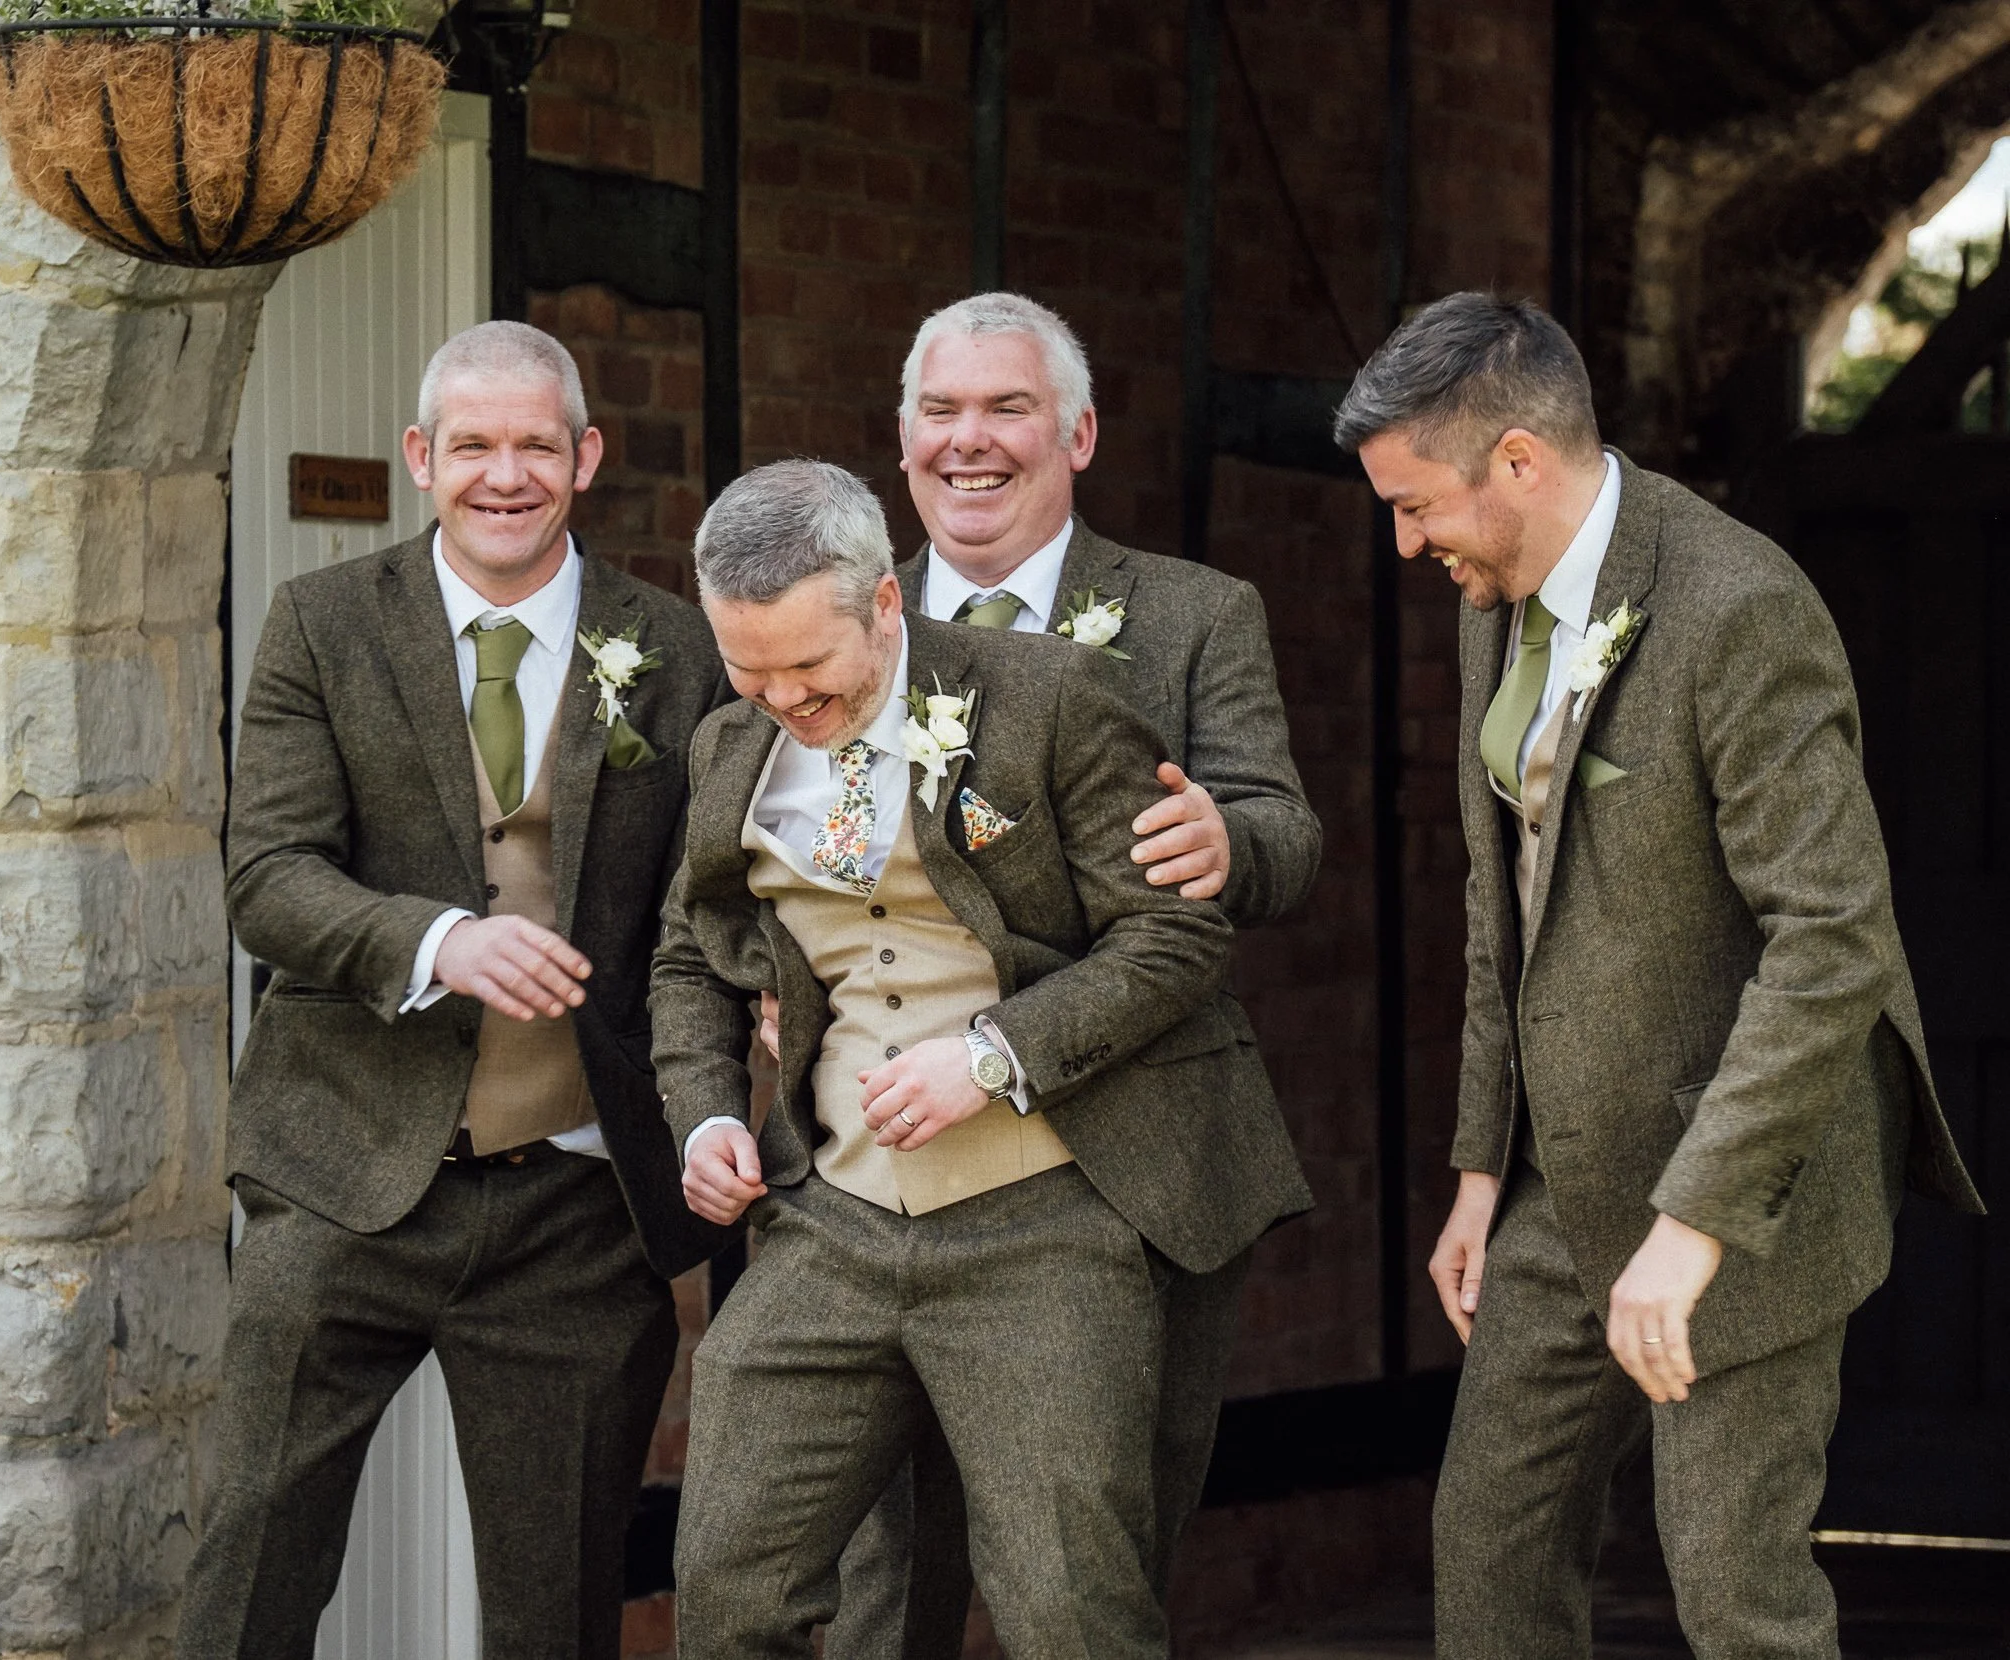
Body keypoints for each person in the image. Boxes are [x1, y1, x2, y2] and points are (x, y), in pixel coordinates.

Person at [1334, 291, 1983, 1659]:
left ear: (1517, 460)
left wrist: (1692, 1224)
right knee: (1490, 1551)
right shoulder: (1491, 597)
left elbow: (1833, 937)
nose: (1404, 543)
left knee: (1735, 1598)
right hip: (1558, 1178)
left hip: (1744, 1188)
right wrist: (1477, 1166)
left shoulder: (1739, 608)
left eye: (1416, 506)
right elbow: (1505, 896)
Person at [649, 458, 1312, 1659]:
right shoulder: (725, 749)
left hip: (1042, 1218)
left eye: (808, 666)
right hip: (832, 1218)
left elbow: (1174, 936)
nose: (782, 698)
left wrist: (994, 1054)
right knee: (730, 1582)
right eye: (749, 669)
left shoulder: (1052, 698)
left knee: (1067, 1610)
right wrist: (706, 1117)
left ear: (884, 604)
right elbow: (691, 956)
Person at [178, 321, 731, 1660]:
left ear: (585, 457)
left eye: (536, 444)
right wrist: (437, 943)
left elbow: (707, 903)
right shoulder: (324, 623)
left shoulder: (674, 644)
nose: (505, 474)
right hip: (341, 1171)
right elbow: (268, 878)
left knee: (555, 1614)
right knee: (249, 1570)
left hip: (577, 1205)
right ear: (421, 458)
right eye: (473, 444)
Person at [820, 290, 1321, 1656]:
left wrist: (1230, 840)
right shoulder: (841, 618)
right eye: (940, 410)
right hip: (890, 1165)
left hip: (1132, 1160)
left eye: (1008, 408)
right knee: (882, 1588)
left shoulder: (1195, 613)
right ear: (902, 437)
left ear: (1079, 434)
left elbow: (1284, 830)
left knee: (1091, 1589)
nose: (968, 441)